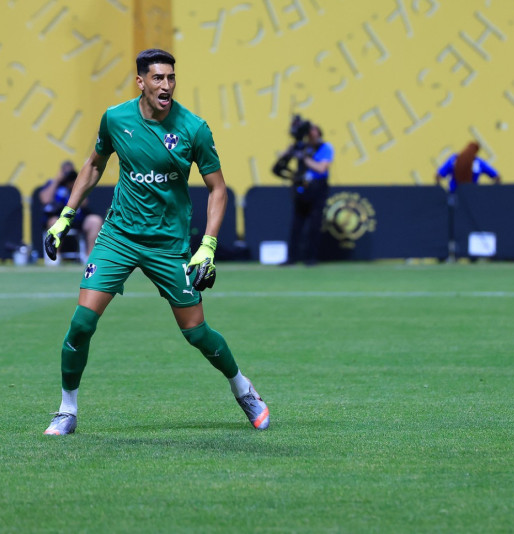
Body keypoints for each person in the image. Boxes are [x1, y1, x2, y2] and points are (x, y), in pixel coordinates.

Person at [42, 49, 269, 435]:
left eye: (171, 77)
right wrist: (66, 216)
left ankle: (243, 389)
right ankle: (67, 410)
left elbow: (218, 189)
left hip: (168, 244)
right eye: (158, 78)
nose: (166, 85)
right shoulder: (115, 119)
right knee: (81, 323)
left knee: (196, 333)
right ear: (141, 82)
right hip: (119, 237)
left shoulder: (194, 128)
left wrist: (208, 245)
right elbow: (94, 164)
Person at [281, 122, 334, 266]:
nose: (310, 133)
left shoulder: (325, 147)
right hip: (301, 188)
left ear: (319, 133)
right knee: (296, 224)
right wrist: (291, 150)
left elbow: (321, 168)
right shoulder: (302, 147)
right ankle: (292, 257)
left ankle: (311, 258)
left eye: (313, 130)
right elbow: (283, 159)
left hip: (318, 188)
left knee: (314, 224)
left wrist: (304, 158)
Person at [39, 160, 103, 260]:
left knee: (95, 221)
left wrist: (74, 186)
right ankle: (55, 257)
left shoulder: (78, 183)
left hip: (77, 219)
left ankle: (89, 257)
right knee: (53, 222)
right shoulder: (53, 184)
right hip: (59, 219)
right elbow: (45, 199)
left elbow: (84, 203)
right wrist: (57, 181)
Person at [434, 141, 501, 192]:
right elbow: (496, 177)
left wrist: (441, 191)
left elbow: (438, 176)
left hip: (455, 194)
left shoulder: (453, 159)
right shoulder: (478, 162)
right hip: (471, 195)